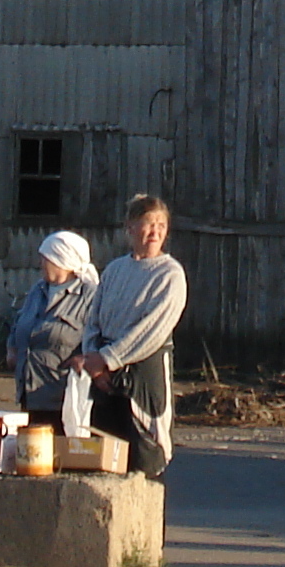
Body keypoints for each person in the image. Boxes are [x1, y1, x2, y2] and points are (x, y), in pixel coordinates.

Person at [75, 193, 187, 480]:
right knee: (105, 457)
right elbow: (94, 319)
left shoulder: (169, 274)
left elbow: (153, 328)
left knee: (145, 457)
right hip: (104, 373)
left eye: (161, 225)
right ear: (130, 228)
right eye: (148, 224)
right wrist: (93, 360)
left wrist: (110, 359)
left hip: (143, 374)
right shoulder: (115, 270)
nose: (155, 231)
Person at [5, 230, 99, 431]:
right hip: (30, 393)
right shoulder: (38, 290)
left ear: (62, 260)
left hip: (63, 398)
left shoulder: (90, 297)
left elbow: (103, 336)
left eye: (45, 258)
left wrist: (86, 358)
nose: (41, 263)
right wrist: (12, 348)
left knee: (58, 455)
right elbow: (18, 322)